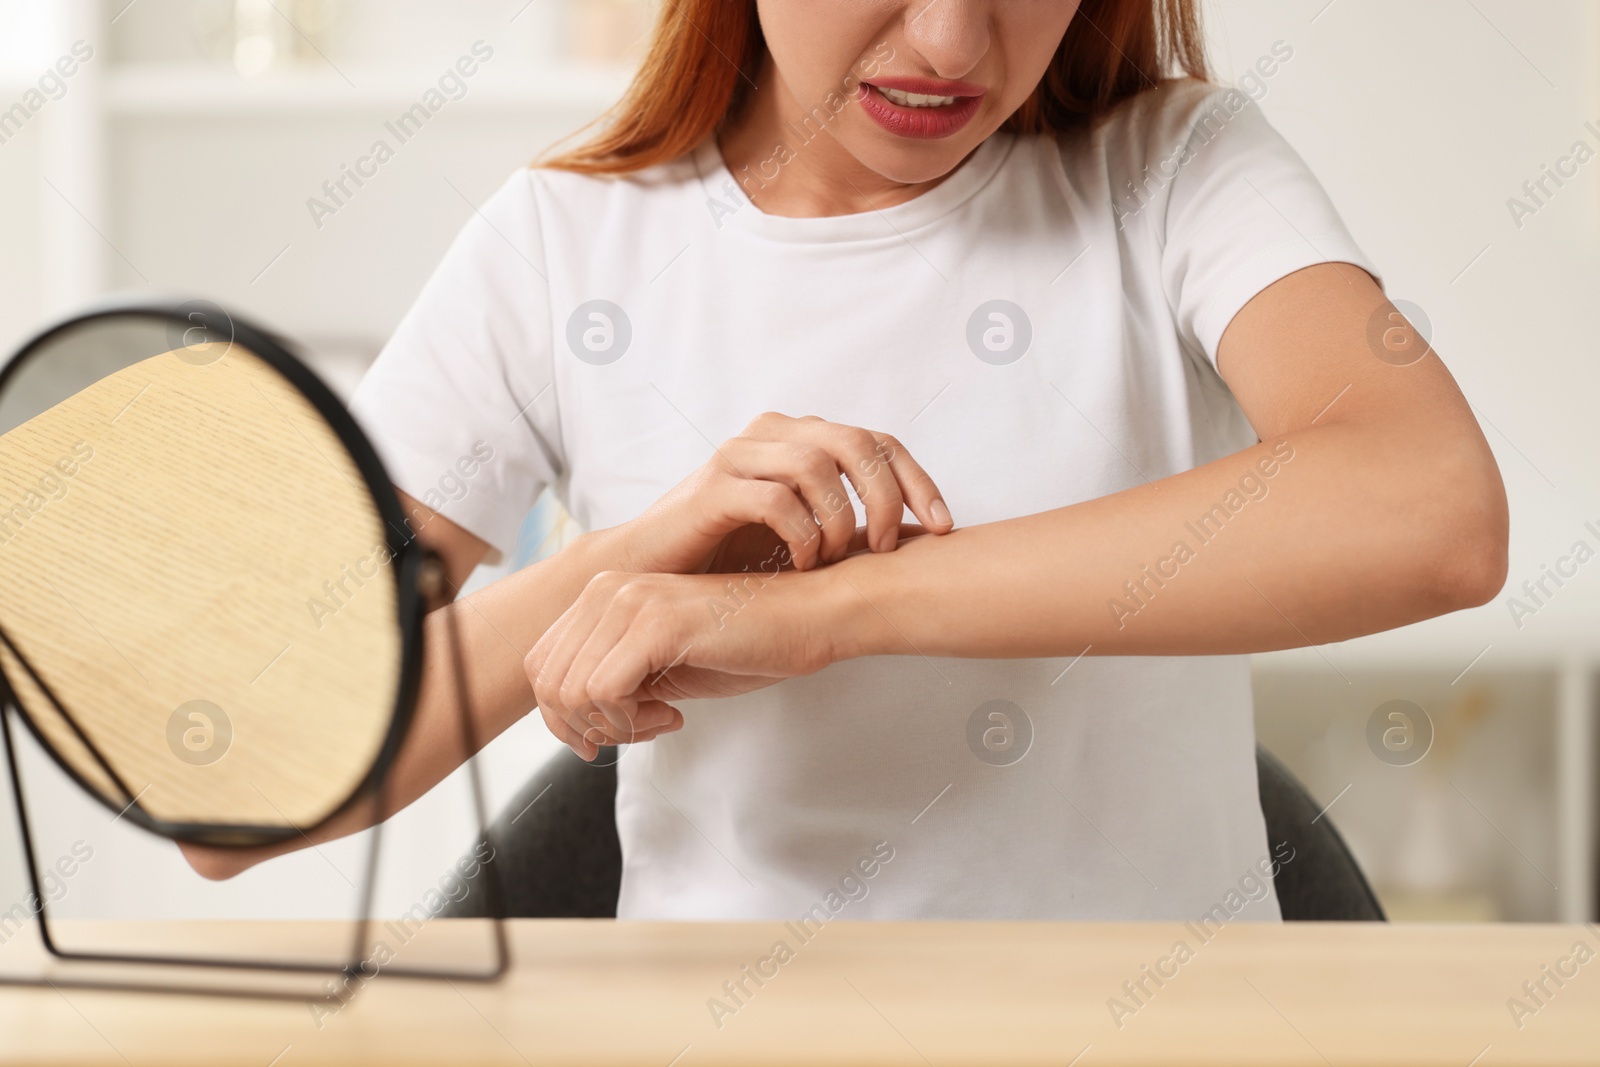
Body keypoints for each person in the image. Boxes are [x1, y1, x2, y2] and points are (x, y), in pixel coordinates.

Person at [191, 0, 1507, 921]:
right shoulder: (560, 249)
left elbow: (1431, 508)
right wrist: (627, 562)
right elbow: (229, 793)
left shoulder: (1176, 172)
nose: (950, 40)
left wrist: (825, 614)